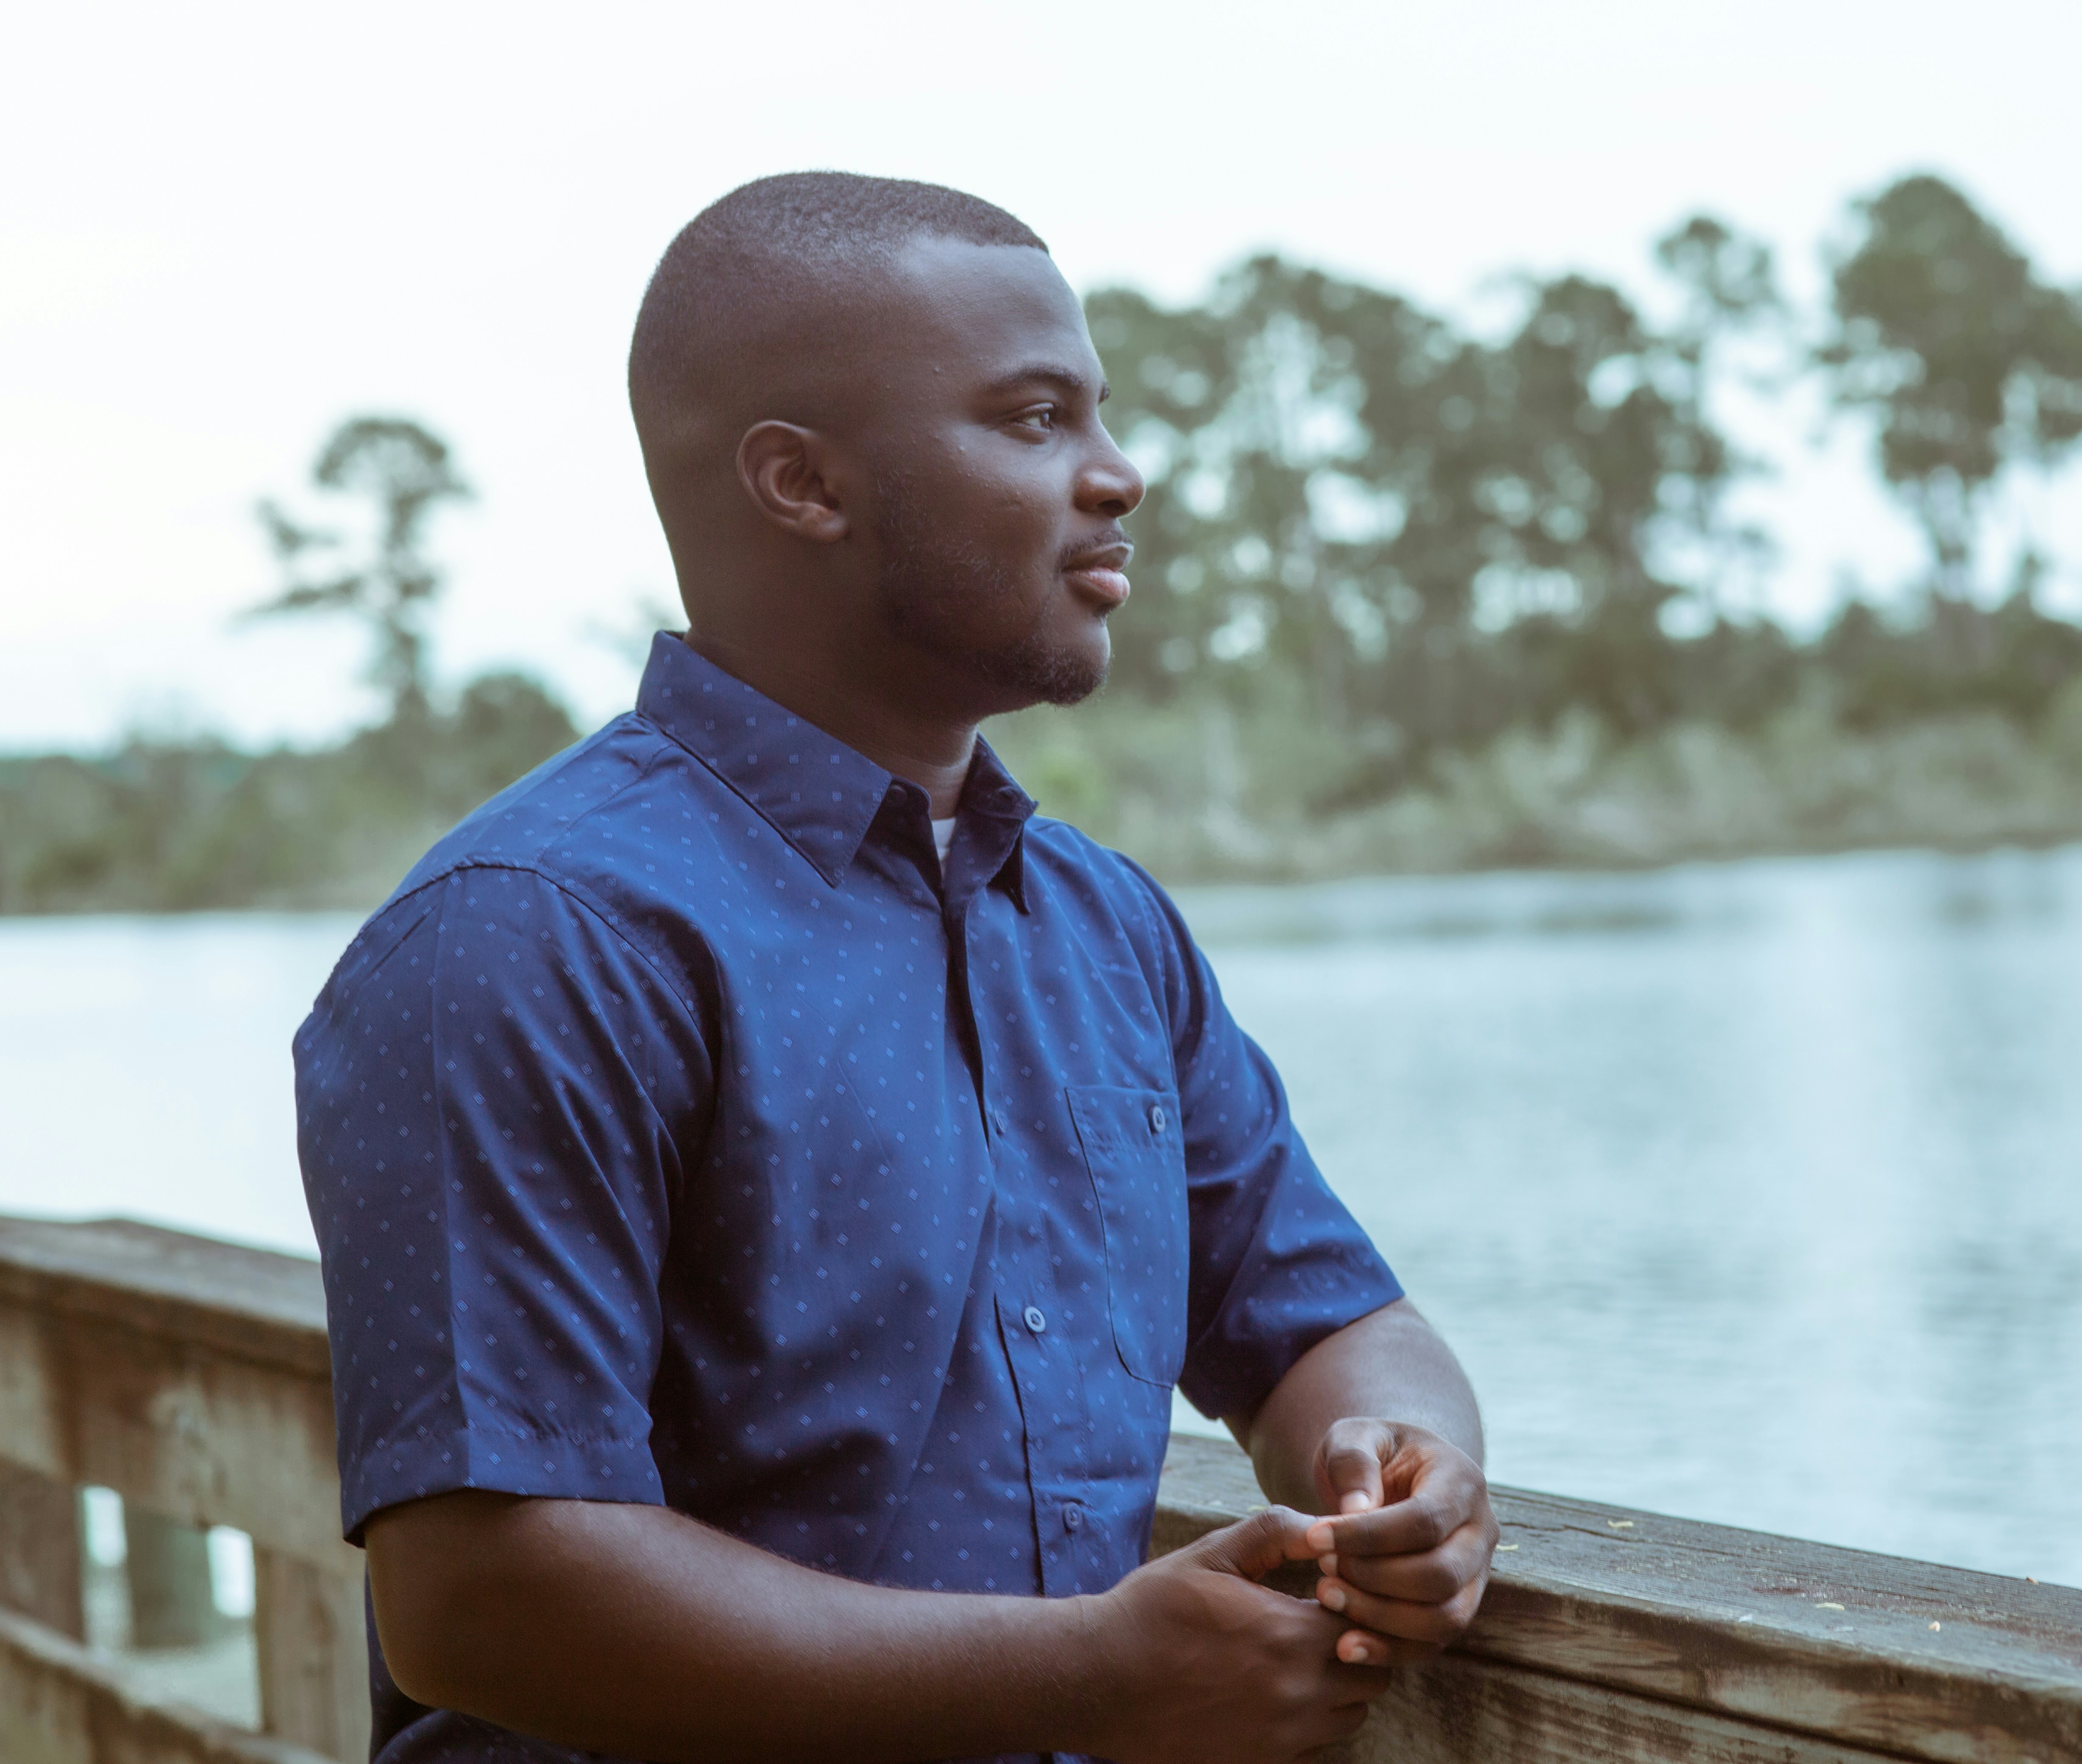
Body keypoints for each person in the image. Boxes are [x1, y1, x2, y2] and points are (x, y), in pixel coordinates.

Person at [292, 173, 1496, 1764]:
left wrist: (1404, 1467)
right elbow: (480, 1598)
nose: (1118, 475)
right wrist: (1096, 1676)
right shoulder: (528, 938)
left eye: (1098, 417)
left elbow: (1321, 1319)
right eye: (1034, 418)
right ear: (802, 483)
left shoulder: (1100, 926)